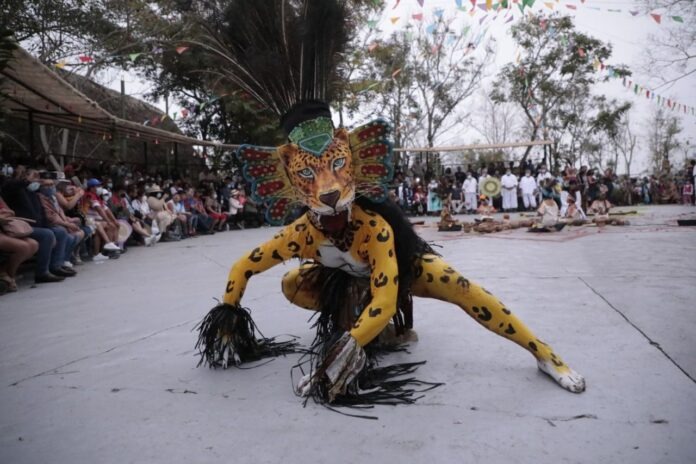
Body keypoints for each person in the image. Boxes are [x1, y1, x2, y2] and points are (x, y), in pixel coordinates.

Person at [196, 0, 585, 409]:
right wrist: (228, 319)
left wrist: (334, 359)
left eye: (337, 165)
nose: (327, 187)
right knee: (292, 283)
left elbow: (384, 301)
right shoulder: (301, 234)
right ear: (287, 179)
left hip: (400, 268)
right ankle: (371, 330)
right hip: (351, 280)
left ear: (358, 158)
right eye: (309, 174)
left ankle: (546, 354)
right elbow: (244, 267)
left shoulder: (375, 229)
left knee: (466, 290)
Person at [2, 168, 74, 282]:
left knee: (60, 232)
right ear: (24, 177)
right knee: (47, 235)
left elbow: (42, 213)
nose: (38, 180)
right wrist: (28, 180)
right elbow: (10, 185)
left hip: (37, 225)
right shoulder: (15, 188)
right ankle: (42, 272)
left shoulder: (34, 193)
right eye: (35, 177)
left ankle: (56, 266)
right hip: (23, 227)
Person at [0, 196, 39, 292]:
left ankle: (7, 274)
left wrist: (5, 215)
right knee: (23, 247)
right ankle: (9, 277)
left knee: (33, 244)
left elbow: (11, 212)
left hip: (4, 228)